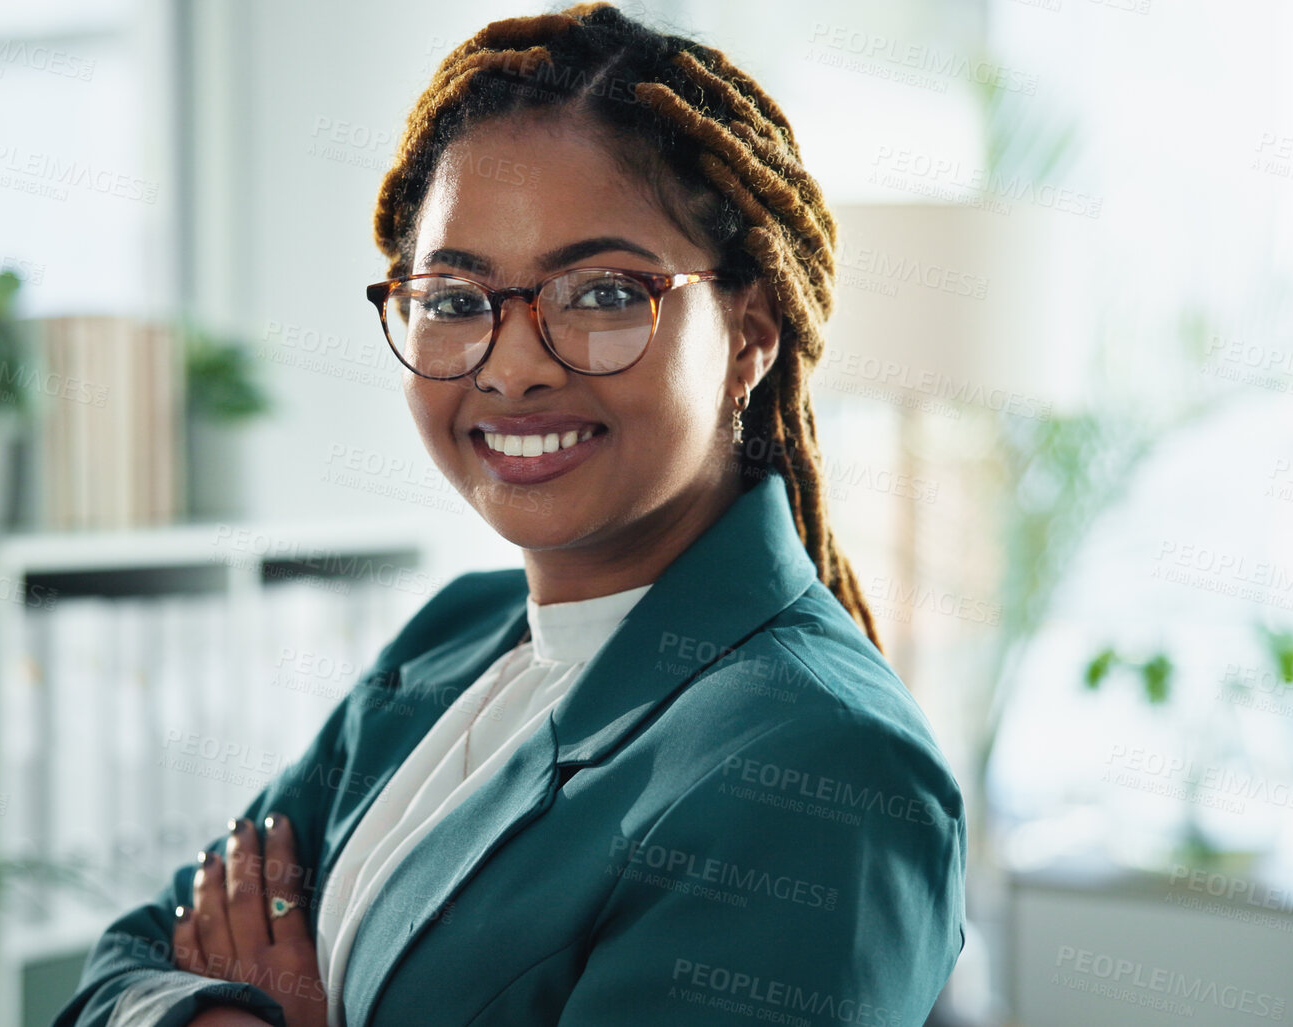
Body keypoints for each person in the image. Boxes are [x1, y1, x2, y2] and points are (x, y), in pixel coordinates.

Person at [51, 4, 965, 1025]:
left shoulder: (821, 766)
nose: (515, 365)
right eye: (452, 299)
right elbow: (133, 956)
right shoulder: (455, 637)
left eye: (602, 291)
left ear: (749, 334)